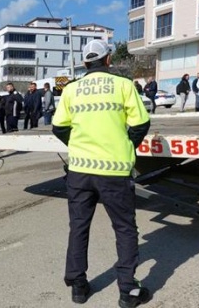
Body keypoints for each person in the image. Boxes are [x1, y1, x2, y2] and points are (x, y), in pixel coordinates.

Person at [52, 39, 151, 307]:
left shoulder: (72, 89)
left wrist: (78, 144)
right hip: (114, 171)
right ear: (108, 60)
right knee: (124, 228)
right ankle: (128, 290)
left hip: (80, 170)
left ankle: (78, 286)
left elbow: (59, 126)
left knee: (79, 226)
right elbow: (141, 123)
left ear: (85, 63)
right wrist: (126, 144)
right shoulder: (123, 85)